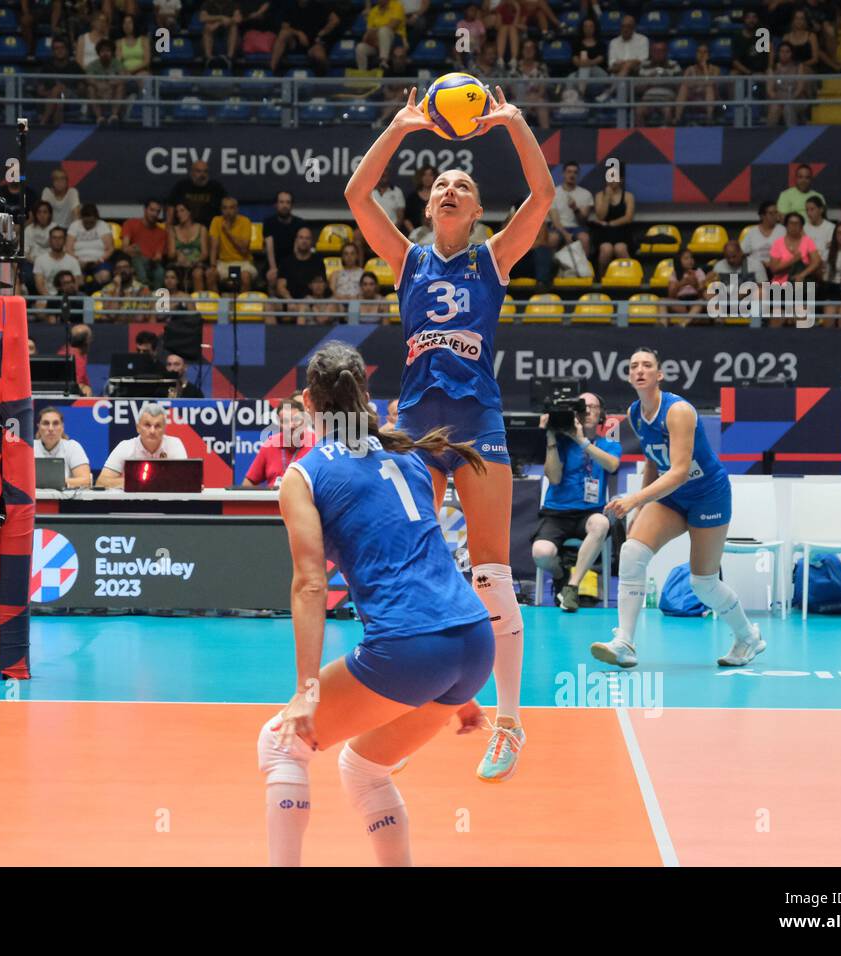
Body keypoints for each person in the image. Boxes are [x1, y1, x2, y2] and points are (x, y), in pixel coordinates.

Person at [344, 84, 553, 783]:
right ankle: (402, 715)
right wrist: (401, 128)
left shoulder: (490, 260)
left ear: (476, 209)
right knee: (411, 567)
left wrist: (516, 123)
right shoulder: (407, 260)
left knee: (491, 570)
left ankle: (512, 721)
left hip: (476, 420)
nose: (450, 187)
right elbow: (356, 192)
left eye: (463, 182)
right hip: (415, 427)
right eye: (441, 183)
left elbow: (543, 196)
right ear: (430, 205)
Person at [258, 342, 491, 866]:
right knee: (363, 768)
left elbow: (311, 585)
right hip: (473, 645)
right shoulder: (408, 456)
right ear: (365, 393)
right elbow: (430, 554)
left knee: (281, 744)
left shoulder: (304, 475)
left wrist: (306, 691)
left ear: (308, 404)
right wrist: (456, 686)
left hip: (413, 650)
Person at [592, 347, 764, 670]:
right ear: (630, 377)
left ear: (659, 375)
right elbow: (653, 461)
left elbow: (680, 471)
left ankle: (747, 637)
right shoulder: (634, 413)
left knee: (703, 583)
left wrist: (635, 500)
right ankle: (625, 643)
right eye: (634, 366)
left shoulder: (678, 411)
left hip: (707, 495)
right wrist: (642, 506)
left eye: (647, 365)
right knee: (631, 553)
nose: (640, 370)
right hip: (672, 498)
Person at [532, 393, 621, 612]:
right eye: (583, 407)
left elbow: (612, 465)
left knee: (601, 523)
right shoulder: (561, 442)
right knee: (541, 553)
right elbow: (554, 478)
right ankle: (561, 575)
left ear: (601, 414)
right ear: (575, 413)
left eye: (594, 407)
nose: (589, 411)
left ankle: (572, 588)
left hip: (588, 514)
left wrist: (582, 441)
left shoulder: (608, 444)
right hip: (556, 513)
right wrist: (551, 437)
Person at [95, 403, 187, 487]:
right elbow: (101, 482)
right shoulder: (125, 447)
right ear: (138, 428)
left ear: (164, 429)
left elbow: (185, 481)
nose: (152, 431)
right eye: (147, 425)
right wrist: (139, 482)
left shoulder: (175, 444)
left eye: (157, 426)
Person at [243, 398, 314, 488]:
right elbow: (248, 483)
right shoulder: (269, 444)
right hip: (272, 500)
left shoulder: (316, 444)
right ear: (278, 423)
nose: (291, 425)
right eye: (285, 421)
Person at [34, 406, 92, 488]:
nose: (50, 428)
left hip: (65, 499)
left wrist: (50, 482)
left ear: (62, 427)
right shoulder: (29, 448)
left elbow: (86, 481)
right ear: (39, 427)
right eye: (46, 423)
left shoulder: (72, 447)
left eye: (55, 423)